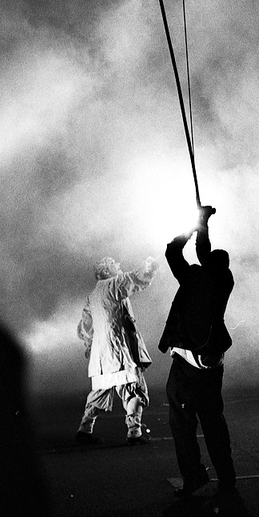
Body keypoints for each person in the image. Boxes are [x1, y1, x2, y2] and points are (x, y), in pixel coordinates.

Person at [158, 204, 236, 497]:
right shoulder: (224, 280)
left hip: (187, 367)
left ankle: (194, 476)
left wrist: (195, 225)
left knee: (182, 424)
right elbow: (206, 253)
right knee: (214, 422)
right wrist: (203, 224)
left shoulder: (193, 278)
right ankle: (227, 475)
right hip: (212, 365)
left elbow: (172, 252)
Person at [75, 253, 158, 444]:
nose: (118, 264)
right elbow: (133, 279)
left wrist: (89, 346)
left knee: (100, 390)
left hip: (102, 355)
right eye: (113, 263)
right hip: (120, 351)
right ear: (105, 271)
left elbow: (85, 327)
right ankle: (134, 433)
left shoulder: (93, 295)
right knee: (133, 389)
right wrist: (149, 267)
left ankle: (84, 429)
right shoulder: (112, 284)